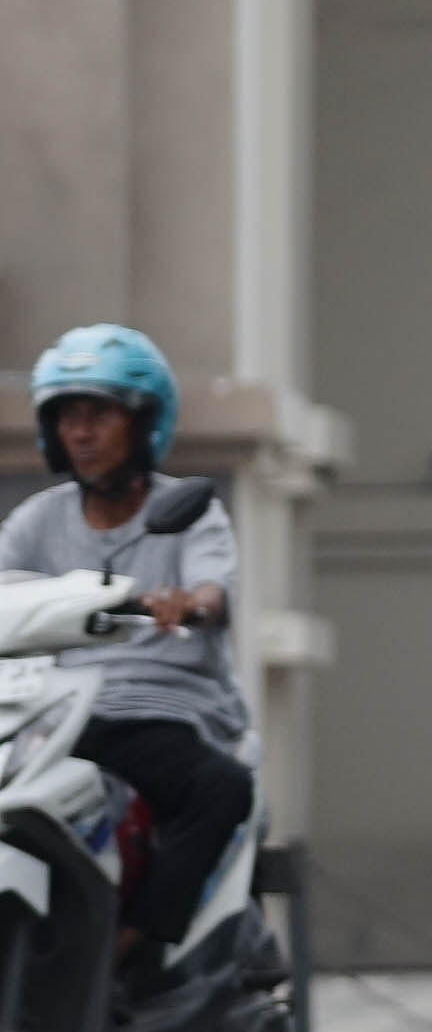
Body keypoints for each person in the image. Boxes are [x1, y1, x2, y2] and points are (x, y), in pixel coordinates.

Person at [0, 325, 251, 981]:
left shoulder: (188, 511)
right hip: (55, 711)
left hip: (157, 708)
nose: (81, 433)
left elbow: (212, 590)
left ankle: (136, 943)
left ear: (144, 423)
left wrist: (188, 602)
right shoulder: (36, 520)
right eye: (67, 417)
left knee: (222, 787)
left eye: (99, 415)